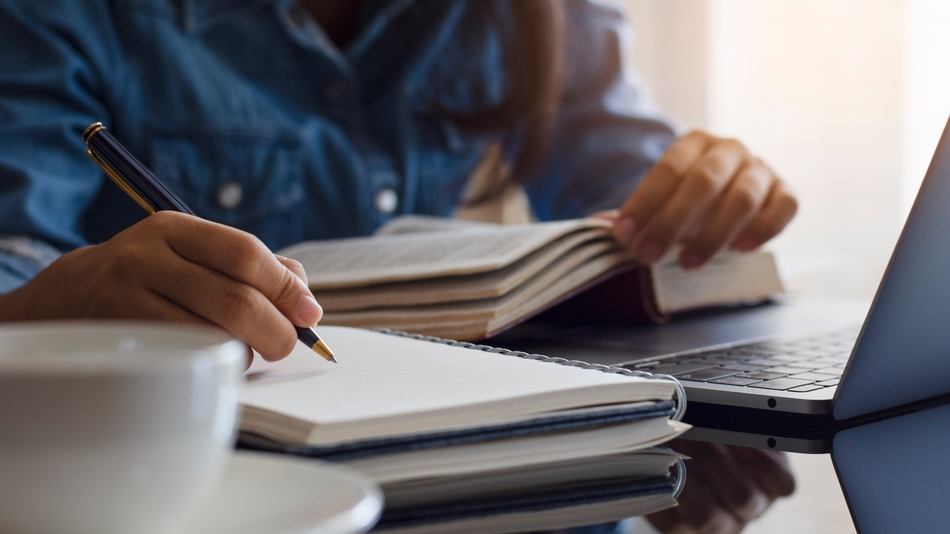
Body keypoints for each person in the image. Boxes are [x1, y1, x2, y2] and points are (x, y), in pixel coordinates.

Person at [0, 1, 796, 532]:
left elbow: (631, 186)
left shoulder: (535, 16)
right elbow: (14, 260)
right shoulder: (69, 18)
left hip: (489, 468)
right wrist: (55, 302)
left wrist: (702, 193)